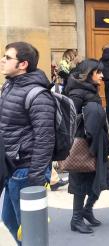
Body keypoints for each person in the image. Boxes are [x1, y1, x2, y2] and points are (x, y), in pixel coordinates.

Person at [0, 42, 55, 245]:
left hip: (25, 170)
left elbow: (45, 139)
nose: (2, 60)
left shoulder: (38, 95)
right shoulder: (9, 85)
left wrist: (36, 178)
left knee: (31, 228)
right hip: (10, 165)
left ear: (23, 64)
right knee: (9, 219)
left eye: (8, 57)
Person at [64, 59, 109, 234]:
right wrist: (88, 123)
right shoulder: (77, 93)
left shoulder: (90, 90)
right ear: (88, 74)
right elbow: (69, 120)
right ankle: (76, 219)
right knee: (80, 183)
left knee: (102, 177)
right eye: (98, 72)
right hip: (82, 145)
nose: (102, 76)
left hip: (96, 144)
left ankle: (87, 210)